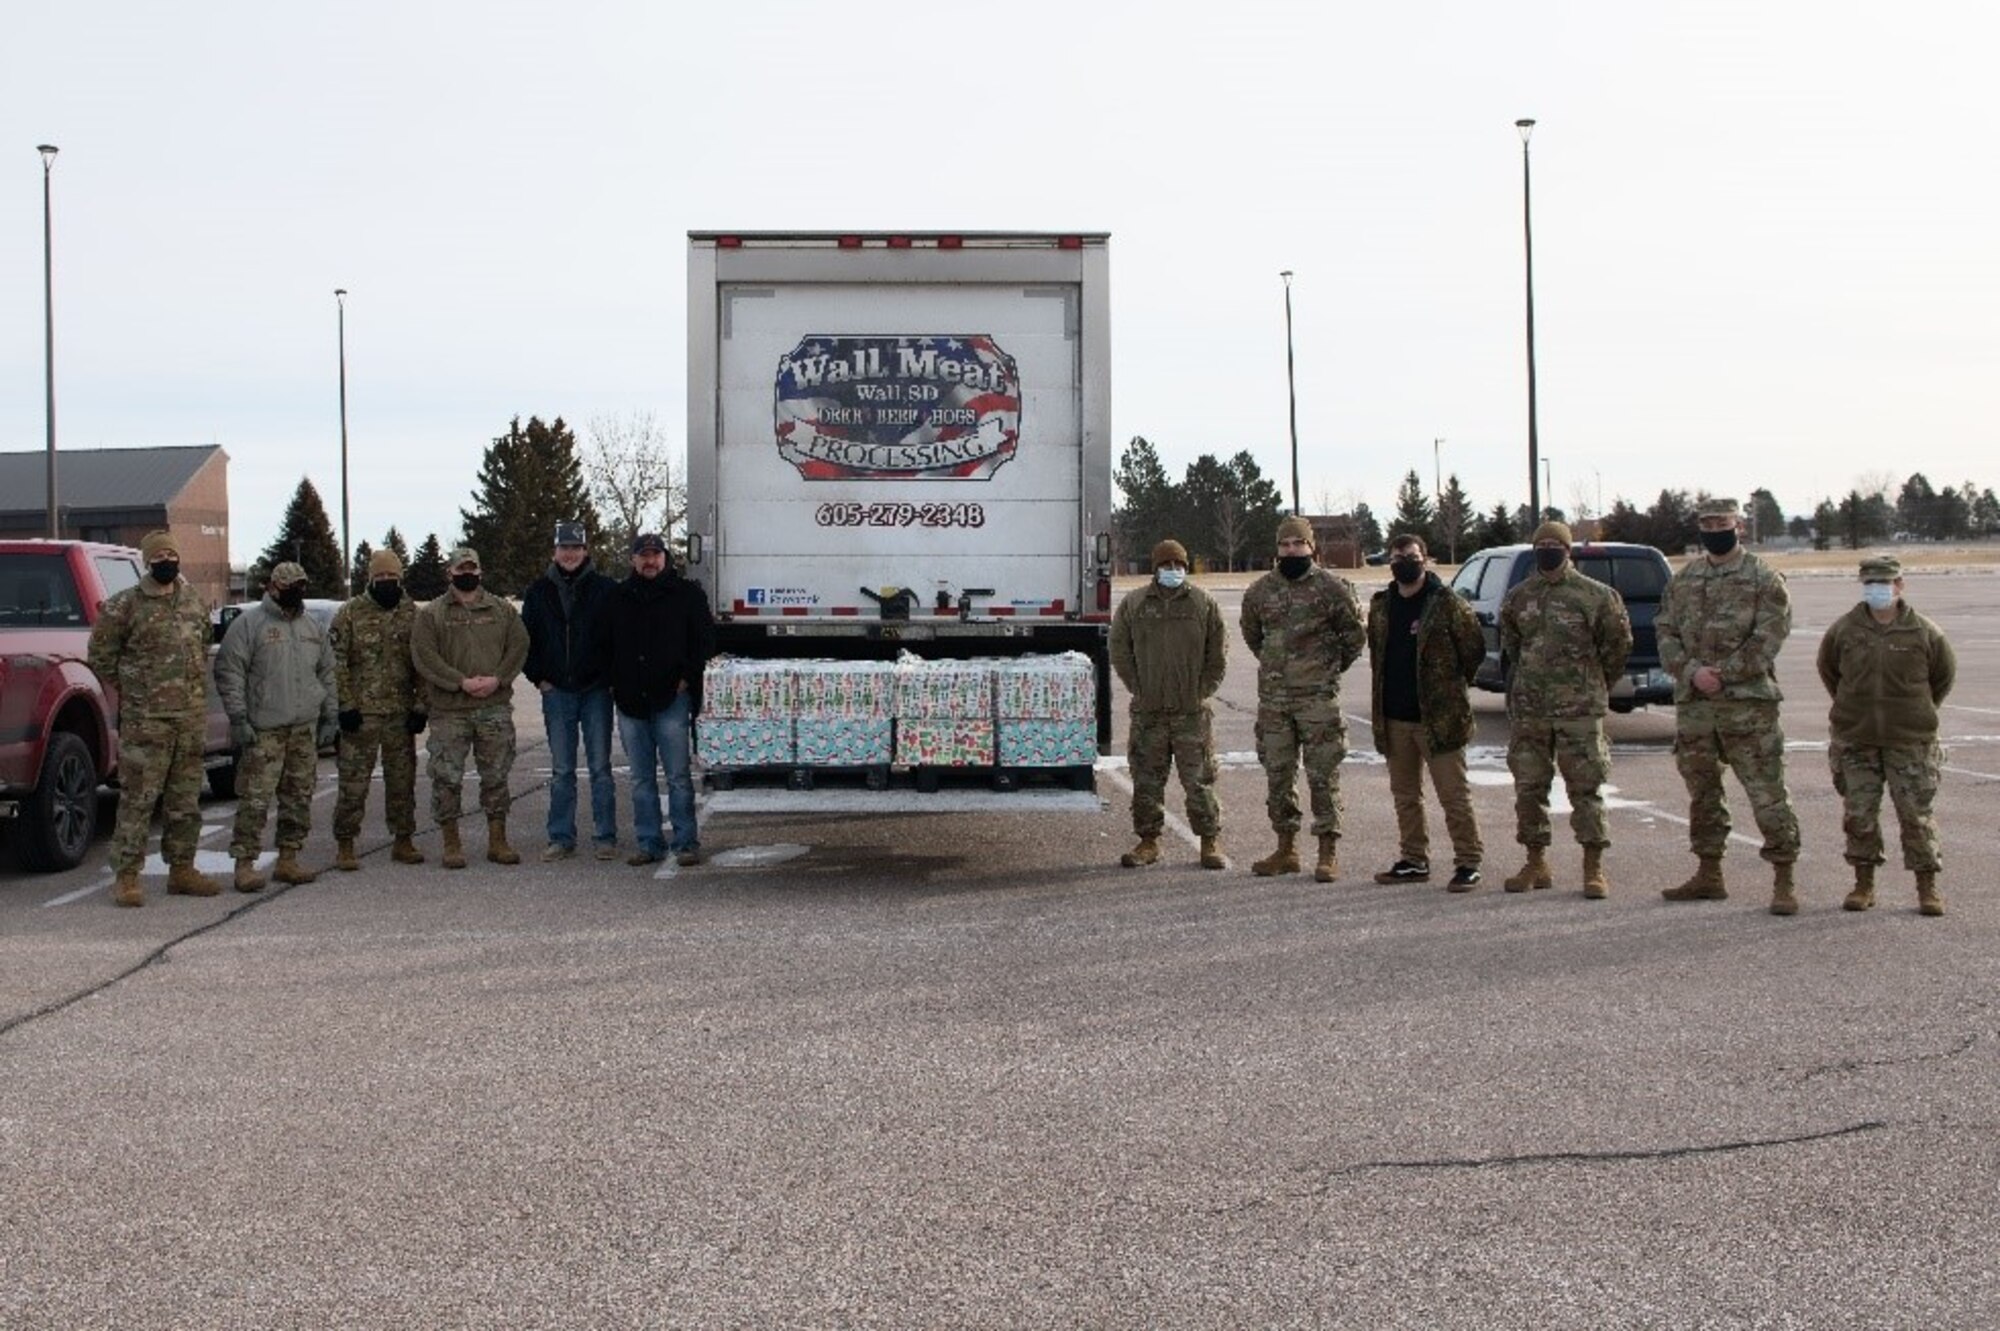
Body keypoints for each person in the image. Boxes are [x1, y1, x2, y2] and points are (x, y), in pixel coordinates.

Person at [1656, 497, 1803, 914]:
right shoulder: (1685, 580)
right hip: (1697, 706)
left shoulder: (1763, 577)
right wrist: (1691, 673)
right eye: (1706, 522)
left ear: (1738, 525)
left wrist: (1724, 673)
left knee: (1766, 793)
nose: (1714, 528)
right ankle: (1709, 874)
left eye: (1721, 521)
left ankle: (1784, 879)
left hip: (1748, 707)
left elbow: (1769, 637)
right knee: (1702, 792)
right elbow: (1665, 632)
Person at [1497, 522, 1632, 899]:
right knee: (1528, 788)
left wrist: (1590, 682)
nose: (1549, 549)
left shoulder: (1596, 596)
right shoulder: (1519, 597)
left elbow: (1617, 648)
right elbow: (1512, 645)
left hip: (1579, 710)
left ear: (1569, 550)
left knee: (1585, 789)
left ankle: (1593, 867)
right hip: (1530, 711)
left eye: (1556, 544)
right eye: (1542, 544)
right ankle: (1536, 861)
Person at [1816, 555, 1957, 916]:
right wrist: (1855, 709)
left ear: (1900, 585)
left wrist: (1913, 712)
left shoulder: (1924, 631)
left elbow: (1942, 678)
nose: (1878, 589)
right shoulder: (1844, 630)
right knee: (1859, 814)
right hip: (1857, 739)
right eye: (1871, 584)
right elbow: (1830, 672)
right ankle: (1863, 885)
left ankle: (1927, 888)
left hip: (1910, 740)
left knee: (1916, 816)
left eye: (1885, 582)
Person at [86, 529, 220, 907]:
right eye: (159, 557)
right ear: (147, 562)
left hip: (189, 719)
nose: (167, 562)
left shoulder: (192, 601)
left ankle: (182, 870)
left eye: (171, 556)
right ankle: (127, 876)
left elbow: (203, 643)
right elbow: (100, 656)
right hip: (147, 722)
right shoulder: (123, 606)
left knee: (185, 800)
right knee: (138, 801)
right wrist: (138, 687)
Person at [1239, 515, 1365, 881]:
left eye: (1298, 544)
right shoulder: (1260, 592)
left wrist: (1325, 670)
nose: (1291, 550)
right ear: (1277, 549)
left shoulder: (1332, 588)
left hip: (1317, 700)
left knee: (1322, 775)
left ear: (1312, 547)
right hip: (1275, 702)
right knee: (1278, 774)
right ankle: (1286, 848)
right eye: (1285, 545)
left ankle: (1327, 852)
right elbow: (1253, 636)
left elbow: (1354, 637)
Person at [1366, 533, 1487, 891]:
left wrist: (1448, 689)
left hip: (1439, 719)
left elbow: (1473, 651)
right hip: (1395, 718)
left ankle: (1468, 862)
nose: (1405, 561)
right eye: (1398, 556)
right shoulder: (1381, 606)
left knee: (1453, 796)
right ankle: (1413, 859)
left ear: (1425, 559)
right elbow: (1377, 653)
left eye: (1411, 555)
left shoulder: (1447, 603)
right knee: (1405, 797)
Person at [215, 561, 338, 892]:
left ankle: (288, 858)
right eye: (288, 586)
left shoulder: (311, 627)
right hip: (264, 729)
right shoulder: (249, 624)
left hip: (303, 727)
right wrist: (238, 718)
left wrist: (331, 714)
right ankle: (244, 864)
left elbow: (326, 671)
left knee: (298, 797)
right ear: (271, 587)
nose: (295, 592)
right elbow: (230, 671)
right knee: (255, 799)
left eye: (300, 585)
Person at [596, 533, 714, 868]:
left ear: (665, 557)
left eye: (656, 555)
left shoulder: (688, 595)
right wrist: (613, 683)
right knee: (640, 778)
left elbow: (704, 642)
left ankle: (686, 841)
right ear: (633, 559)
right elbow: (602, 645)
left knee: (678, 776)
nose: (650, 561)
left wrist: (687, 680)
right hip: (631, 702)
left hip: (671, 699)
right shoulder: (617, 597)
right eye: (643, 555)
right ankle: (649, 843)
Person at [1109, 538, 1228, 870]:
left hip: (1191, 713)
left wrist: (1202, 690)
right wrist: (1138, 687)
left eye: (1178, 565)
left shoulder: (1203, 604)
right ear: (1155, 568)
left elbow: (1217, 653)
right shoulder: (1135, 604)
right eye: (1166, 566)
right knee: (1146, 780)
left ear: (1185, 568)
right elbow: (1119, 648)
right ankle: (1148, 841)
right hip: (1150, 713)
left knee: (1200, 781)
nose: (1172, 571)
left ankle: (1209, 841)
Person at [410, 546, 530, 870]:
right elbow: (424, 654)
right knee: (446, 777)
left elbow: (519, 645)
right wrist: (459, 682)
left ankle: (498, 840)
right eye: (460, 570)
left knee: (496, 774)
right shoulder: (432, 614)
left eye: (472, 569)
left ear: (480, 572)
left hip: (493, 706)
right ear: (449, 573)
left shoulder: (502, 610)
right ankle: (451, 842)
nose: (467, 574)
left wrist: (499, 679)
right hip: (450, 709)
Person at [522, 520, 619, 861]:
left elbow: (617, 639)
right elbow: (525, 642)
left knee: (600, 767)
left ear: (586, 551)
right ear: (555, 551)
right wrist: (539, 678)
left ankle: (605, 836)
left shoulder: (606, 589)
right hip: (557, 691)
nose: (570, 554)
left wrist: (608, 678)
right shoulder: (537, 593)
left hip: (595, 691)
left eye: (576, 548)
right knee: (562, 769)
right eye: (565, 548)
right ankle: (561, 837)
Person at [330, 548, 427, 870]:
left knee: (402, 783)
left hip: (399, 714)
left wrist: (420, 706)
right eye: (381, 577)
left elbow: (422, 664)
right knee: (353, 784)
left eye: (392, 577)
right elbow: (336, 662)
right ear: (370, 578)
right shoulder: (351, 613)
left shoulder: (412, 613)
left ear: (401, 578)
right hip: (362, 715)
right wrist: (345, 705)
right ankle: (345, 843)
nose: (387, 581)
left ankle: (403, 839)